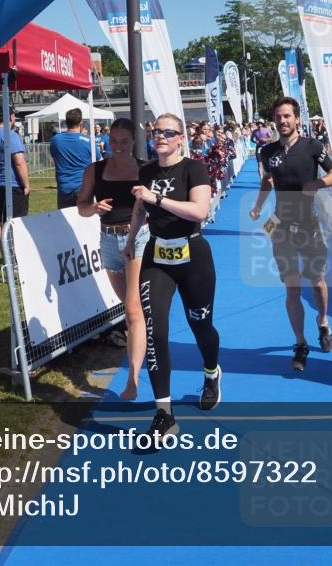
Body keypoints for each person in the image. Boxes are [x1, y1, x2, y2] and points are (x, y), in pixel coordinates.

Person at [125, 113, 220, 439]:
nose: (160, 136)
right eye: (156, 131)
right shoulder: (147, 170)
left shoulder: (194, 168)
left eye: (168, 132)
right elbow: (140, 207)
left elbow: (199, 211)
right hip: (157, 256)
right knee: (155, 331)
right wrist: (130, 238)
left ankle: (211, 372)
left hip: (193, 254)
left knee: (200, 325)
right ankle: (164, 413)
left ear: (181, 137)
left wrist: (158, 199)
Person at [250, 97, 332, 372]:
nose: (283, 121)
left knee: (317, 282)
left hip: (309, 226)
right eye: (278, 116)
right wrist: (257, 207)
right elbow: (267, 180)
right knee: (292, 288)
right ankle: (300, 343)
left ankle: (323, 321)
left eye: (287, 116)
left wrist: (318, 182)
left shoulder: (312, 146)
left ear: (297, 119)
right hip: (281, 227)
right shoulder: (267, 151)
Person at [75, 118, 150, 400]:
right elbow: (81, 208)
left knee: (132, 310)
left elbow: (154, 205)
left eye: (124, 141)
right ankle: (142, 343)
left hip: (138, 239)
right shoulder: (95, 170)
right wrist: (93, 207)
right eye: (113, 141)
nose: (117, 147)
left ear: (133, 142)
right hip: (107, 240)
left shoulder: (145, 169)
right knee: (132, 311)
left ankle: (132, 379)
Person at [0, 105, 30, 249]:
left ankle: (7, 257)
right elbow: (19, 161)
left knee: (1, 222)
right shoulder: (11, 134)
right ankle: (16, 257)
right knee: (18, 223)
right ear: (11, 117)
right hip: (14, 186)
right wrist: (26, 184)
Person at [50, 108, 93, 209]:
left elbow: (54, 157)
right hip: (83, 187)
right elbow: (99, 161)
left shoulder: (56, 140)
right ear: (81, 122)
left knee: (66, 220)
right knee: (86, 221)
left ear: (66, 122)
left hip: (64, 188)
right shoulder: (87, 140)